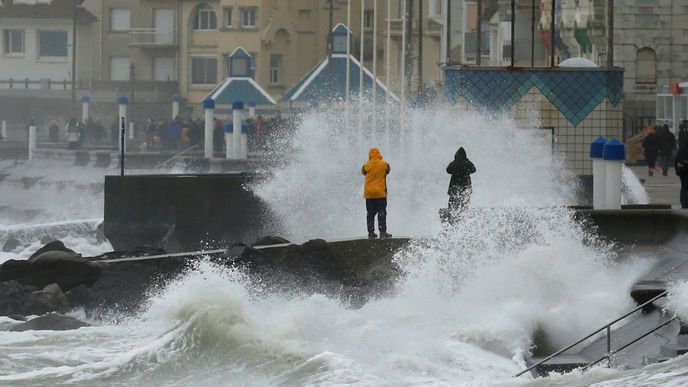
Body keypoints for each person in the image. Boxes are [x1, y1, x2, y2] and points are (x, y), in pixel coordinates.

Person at [361, 148, 392, 239]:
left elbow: (363, 172)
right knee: (381, 212)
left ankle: (371, 233)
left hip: (369, 194)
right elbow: (388, 171)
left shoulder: (366, 165)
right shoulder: (384, 164)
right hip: (380, 193)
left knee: (370, 213)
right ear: (379, 154)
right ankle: (382, 232)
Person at [446, 147, 476, 212]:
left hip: (454, 185)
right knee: (464, 199)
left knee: (453, 199)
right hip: (465, 185)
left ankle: (451, 211)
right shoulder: (467, 163)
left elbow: (448, 170)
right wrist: (467, 161)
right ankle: (464, 211)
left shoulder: (453, 163)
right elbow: (473, 169)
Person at [676, 143, 688, 208]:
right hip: (684, 171)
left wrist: (677, 171)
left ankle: (684, 203)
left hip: (682, 171)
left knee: (684, 187)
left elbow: (676, 160)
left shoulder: (682, 149)